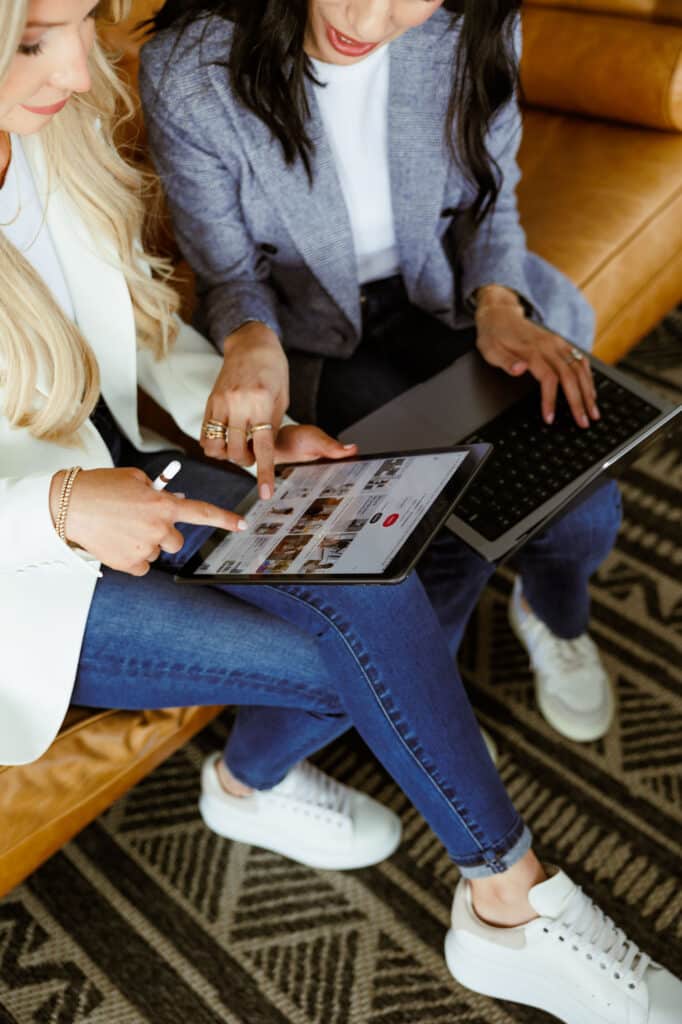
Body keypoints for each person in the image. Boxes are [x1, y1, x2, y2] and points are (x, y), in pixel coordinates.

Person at [1, 4, 679, 1022]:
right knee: (376, 668)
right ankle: (513, 904)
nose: (88, 65)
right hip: (28, 577)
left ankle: (270, 797)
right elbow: (225, 287)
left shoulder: (51, 137)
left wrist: (244, 418)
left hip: (132, 473)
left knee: (382, 563)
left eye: (81, 25)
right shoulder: (176, 74)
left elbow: (135, 334)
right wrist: (51, 510)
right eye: (35, 38)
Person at [140, 0, 622, 747]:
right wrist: (250, 337)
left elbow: (490, 206)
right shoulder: (190, 71)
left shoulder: (477, 28)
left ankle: (550, 615)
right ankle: (431, 698)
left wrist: (498, 301)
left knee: (586, 502)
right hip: (316, 336)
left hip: (447, 297)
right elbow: (227, 273)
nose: (365, 20)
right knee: (440, 526)